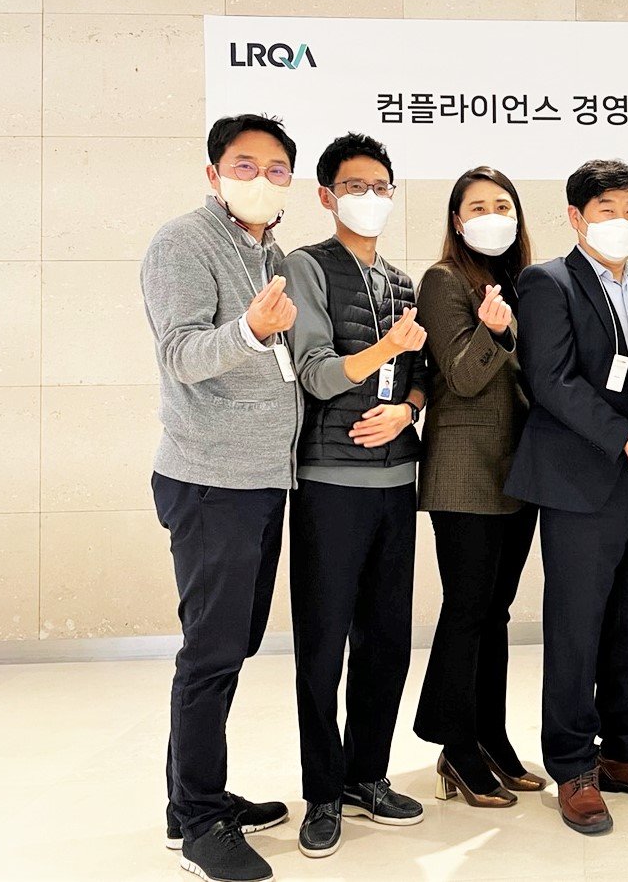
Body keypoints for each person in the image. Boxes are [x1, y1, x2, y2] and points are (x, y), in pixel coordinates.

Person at [504, 159, 628, 835]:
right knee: (576, 626)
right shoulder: (547, 282)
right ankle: (573, 764)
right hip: (584, 482)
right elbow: (551, 379)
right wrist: (623, 438)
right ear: (576, 217)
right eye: (606, 209)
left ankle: (626, 750)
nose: (622, 220)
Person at [142, 113, 299, 882]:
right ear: (213, 174)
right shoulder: (183, 242)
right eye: (244, 165)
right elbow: (180, 353)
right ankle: (199, 821)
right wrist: (249, 329)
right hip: (210, 481)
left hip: (262, 480)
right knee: (209, 653)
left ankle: (192, 799)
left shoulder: (270, 252)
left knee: (230, 646)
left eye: (276, 169)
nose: (261, 179)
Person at [280, 133, 428, 858]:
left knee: (387, 641)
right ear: (326, 195)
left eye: (380, 186)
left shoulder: (402, 281)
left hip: (397, 484)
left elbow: (421, 373)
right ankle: (322, 790)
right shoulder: (305, 266)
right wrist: (386, 350)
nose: (369, 197)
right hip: (329, 485)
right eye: (354, 186)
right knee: (322, 644)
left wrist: (408, 409)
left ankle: (368, 774)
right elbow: (314, 371)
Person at [413, 166, 543, 808]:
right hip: (464, 470)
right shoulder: (444, 280)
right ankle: (456, 745)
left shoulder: (526, 281)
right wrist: (493, 331)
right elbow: (462, 378)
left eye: (503, 205)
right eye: (478, 206)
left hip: (520, 470)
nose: (492, 216)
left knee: (496, 612)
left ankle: (490, 734)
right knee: (468, 608)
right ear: (457, 220)